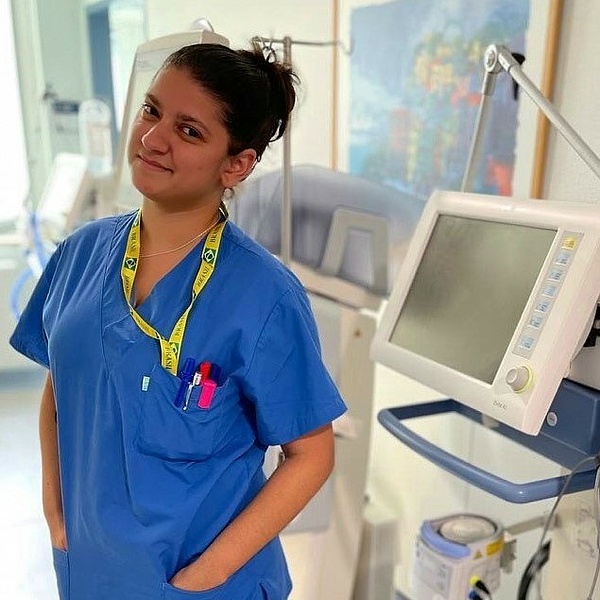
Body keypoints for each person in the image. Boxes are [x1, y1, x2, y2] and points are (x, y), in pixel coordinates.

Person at [10, 41, 346, 600]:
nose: (152, 139)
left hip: (201, 584)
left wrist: (206, 577)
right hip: (89, 569)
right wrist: (55, 511)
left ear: (237, 163)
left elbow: (311, 455)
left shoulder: (264, 296)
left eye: (189, 131)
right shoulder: (82, 254)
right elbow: (60, 384)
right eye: (151, 110)